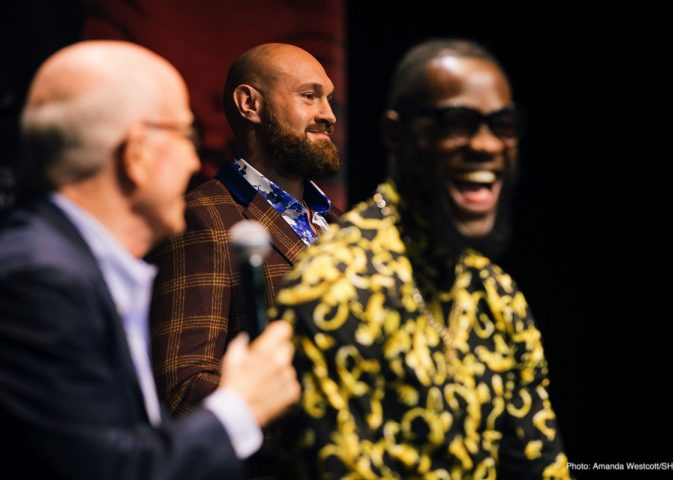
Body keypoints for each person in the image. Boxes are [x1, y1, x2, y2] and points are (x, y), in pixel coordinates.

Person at [0, 40, 300, 479]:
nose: (194, 160)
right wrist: (243, 406)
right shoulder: (42, 281)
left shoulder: (76, 265)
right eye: (185, 136)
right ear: (136, 155)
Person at [271, 39, 570, 478]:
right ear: (396, 134)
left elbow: (540, 466)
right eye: (458, 123)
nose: (486, 145)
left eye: (502, 125)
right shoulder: (335, 289)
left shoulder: (496, 295)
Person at [147, 42, 342, 476]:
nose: (328, 113)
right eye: (310, 96)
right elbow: (181, 389)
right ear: (250, 104)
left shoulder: (342, 225)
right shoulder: (203, 217)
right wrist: (327, 428)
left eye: (328, 98)